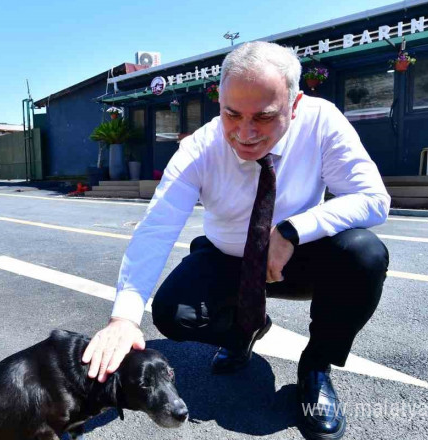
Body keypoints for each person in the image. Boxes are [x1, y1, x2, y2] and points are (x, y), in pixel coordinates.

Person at [82, 42, 390, 440]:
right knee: (173, 312)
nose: (245, 133)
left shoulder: (321, 121)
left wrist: (293, 230)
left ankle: (315, 367)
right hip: (228, 256)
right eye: (232, 114)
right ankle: (245, 329)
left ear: (294, 105)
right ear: (220, 101)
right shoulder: (199, 149)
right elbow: (156, 228)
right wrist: (123, 319)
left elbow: (374, 199)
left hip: (298, 257)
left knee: (364, 255)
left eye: (264, 117)